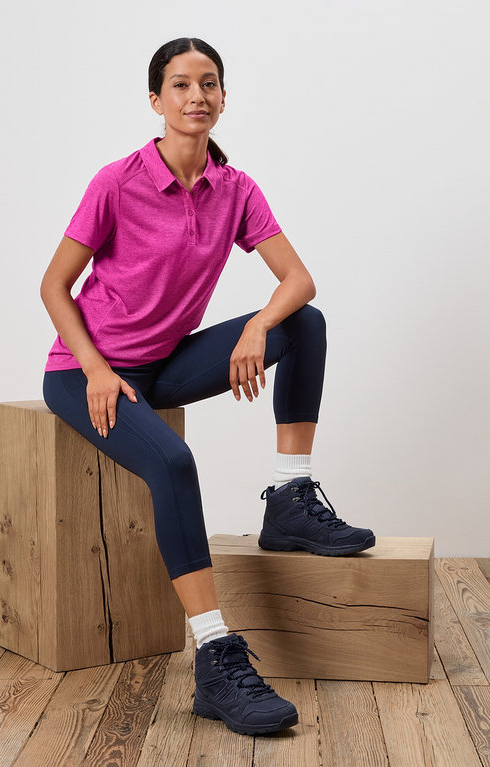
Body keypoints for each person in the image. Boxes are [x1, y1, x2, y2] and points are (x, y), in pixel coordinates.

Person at [40, 37, 375, 736]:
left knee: (301, 322)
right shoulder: (117, 180)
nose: (198, 96)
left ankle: (289, 495)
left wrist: (257, 328)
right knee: (172, 459)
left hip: (163, 361)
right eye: (182, 84)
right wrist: (98, 368)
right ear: (156, 100)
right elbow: (54, 284)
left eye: (210, 83)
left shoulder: (236, 189)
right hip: (85, 372)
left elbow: (299, 279)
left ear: (224, 97)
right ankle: (217, 654)